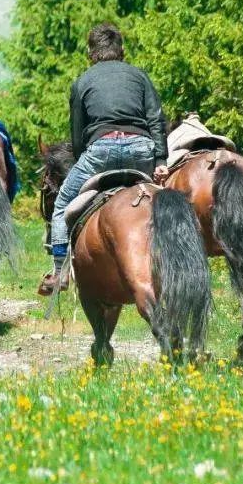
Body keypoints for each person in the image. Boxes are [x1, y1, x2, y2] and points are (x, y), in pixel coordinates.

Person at [38, 23, 169, 296]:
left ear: (90, 52)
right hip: (141, 151)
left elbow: (77, 136)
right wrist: (159, 160)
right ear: (121, 50)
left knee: (62, 204)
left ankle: (60, 271)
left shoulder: (82, 82)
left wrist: (85, 159)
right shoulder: (139, 76)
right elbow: (156, 117)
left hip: (101, 151)